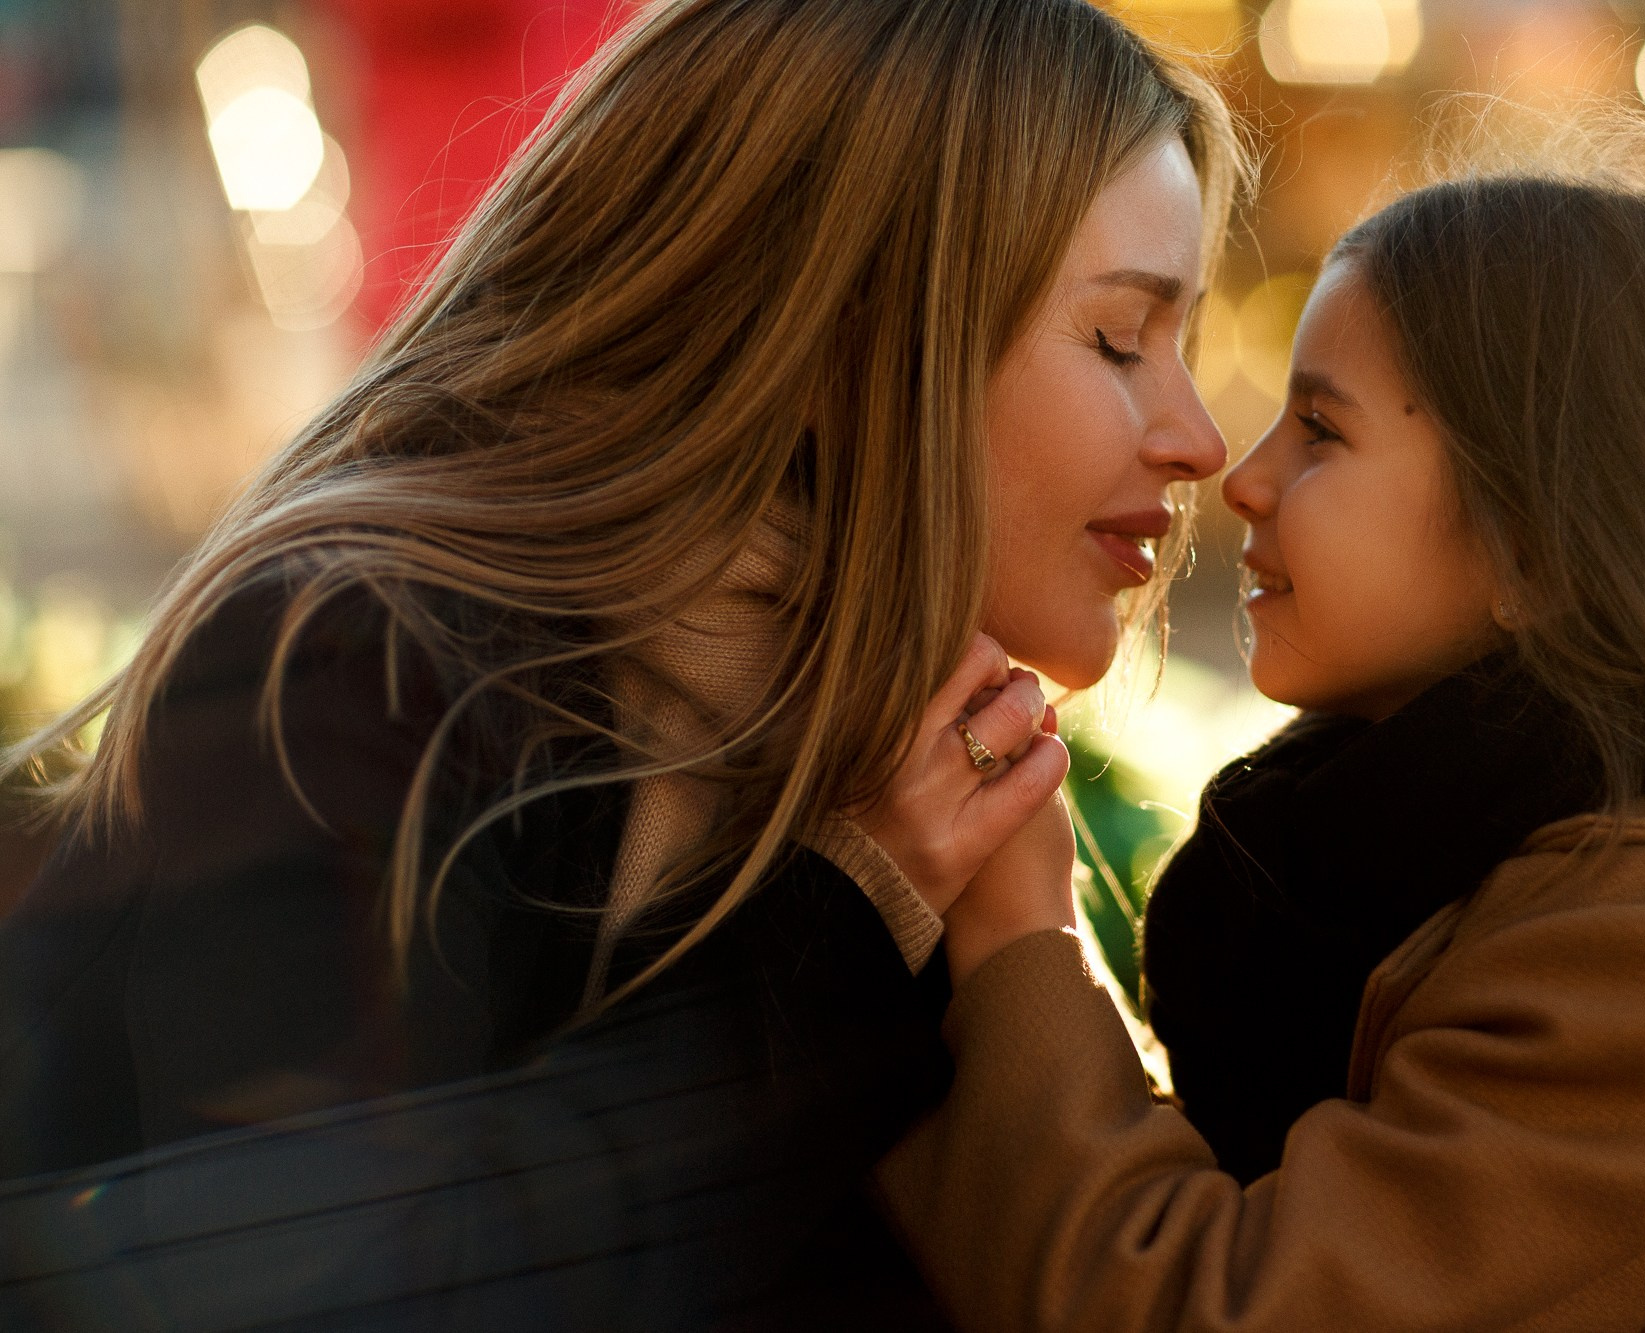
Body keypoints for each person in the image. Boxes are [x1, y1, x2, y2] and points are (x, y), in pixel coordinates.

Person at [0, 0, 1239, 1327]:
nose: (1200, 436)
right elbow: (332, 1286)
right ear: (852, 328)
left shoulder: (905, 736)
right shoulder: (358, 670)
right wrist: (844, 921)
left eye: (1188, 345)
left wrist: (1022, 952)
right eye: (1120, 338)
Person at [875, 116, 1645, 1332]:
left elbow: (1194, 1309)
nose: (1235, 474)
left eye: (1320, 430)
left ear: (1540, 550)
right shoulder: (1477, 868)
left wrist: (1025, 932)